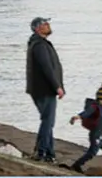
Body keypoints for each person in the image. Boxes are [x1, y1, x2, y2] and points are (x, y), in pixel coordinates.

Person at [26, 16, 64, 163]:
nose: (48, 25)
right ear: (37, 28)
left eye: (48, 23)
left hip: (43, 89)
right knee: (48, 121)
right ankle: (41, 152)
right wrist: (57, 87)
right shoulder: (39, 45)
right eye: (44, 24)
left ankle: (49, 154)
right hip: (44, 89)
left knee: (48, 121)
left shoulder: (39, 43)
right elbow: (47, 68)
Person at [68, 83, 102, 174]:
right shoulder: (94, 107)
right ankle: (77, 165)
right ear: (101, 100)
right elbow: (86, 112)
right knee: (92, 152)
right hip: (96, 135)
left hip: (100, 135)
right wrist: (78, 116)